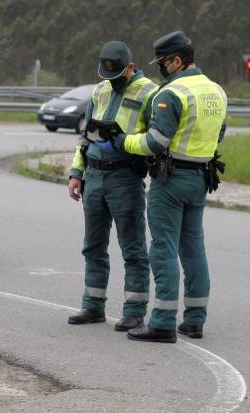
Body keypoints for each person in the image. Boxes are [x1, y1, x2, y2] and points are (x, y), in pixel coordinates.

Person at [109, 31, 227, 342]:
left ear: (177, 60)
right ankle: (194, 321)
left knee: (163, 249)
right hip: (201, 177)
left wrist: (123, 140)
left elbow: (154, 142)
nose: (161, 68)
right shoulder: (216, 91)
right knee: (194, 250)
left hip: (170, 179)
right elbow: (219, 134)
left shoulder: (172, 93)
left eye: (163, 62)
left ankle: (161, 322)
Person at [67, 41, 158, 331]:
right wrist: (76, 172)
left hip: (125, 177)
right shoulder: (100, 90)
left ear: (130, 67)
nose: (111, 81)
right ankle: (92, 306)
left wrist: (124, 142)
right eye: (107, 76)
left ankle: (134, 310)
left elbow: (154, 141)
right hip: (93, 176)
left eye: (117, 75)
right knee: (92, 246)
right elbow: (85, 136)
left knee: (132, 248)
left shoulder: (149, 92)